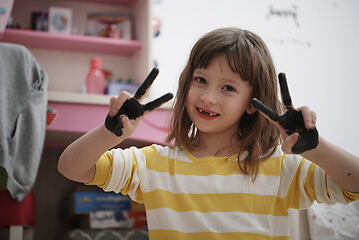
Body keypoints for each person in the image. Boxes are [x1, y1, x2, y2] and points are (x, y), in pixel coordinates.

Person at [58, 27, 359, 239]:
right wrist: (109, 134)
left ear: (253, 103)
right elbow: (71, 167)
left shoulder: (282, 168)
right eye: (200, 79)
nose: (208, 97)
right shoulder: (154, 164)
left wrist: (315, 148)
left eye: (228, 87)